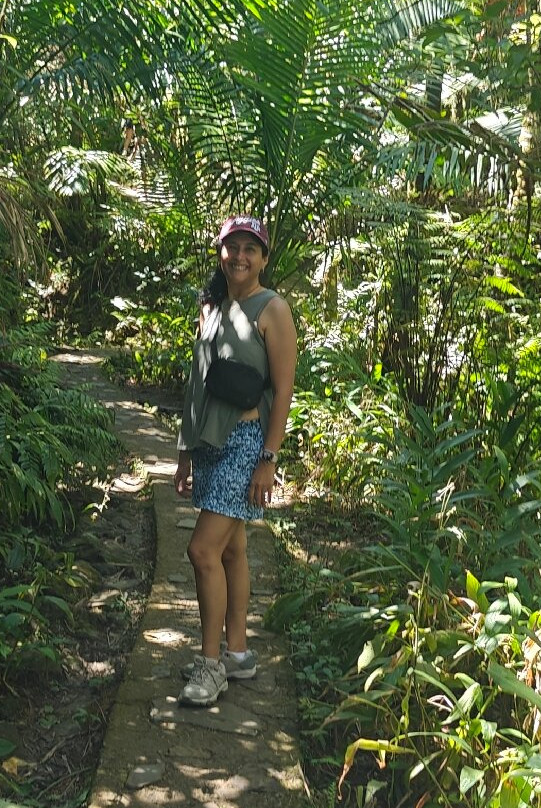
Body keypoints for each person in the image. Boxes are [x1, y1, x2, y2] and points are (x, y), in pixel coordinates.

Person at [173, 214, 298, 706]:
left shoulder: (274, 310)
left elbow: (283, 392)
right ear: (220, 253)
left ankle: (210, 665)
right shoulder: (212, 306)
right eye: (232, 247)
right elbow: (196, 384)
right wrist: (184, 452)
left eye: (251, 248)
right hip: (208, 444)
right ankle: (238, 653)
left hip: (246, 444)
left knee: (202, 550)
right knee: (230, 550)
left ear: (264, 258)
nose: (240, 257)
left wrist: (269, 457)